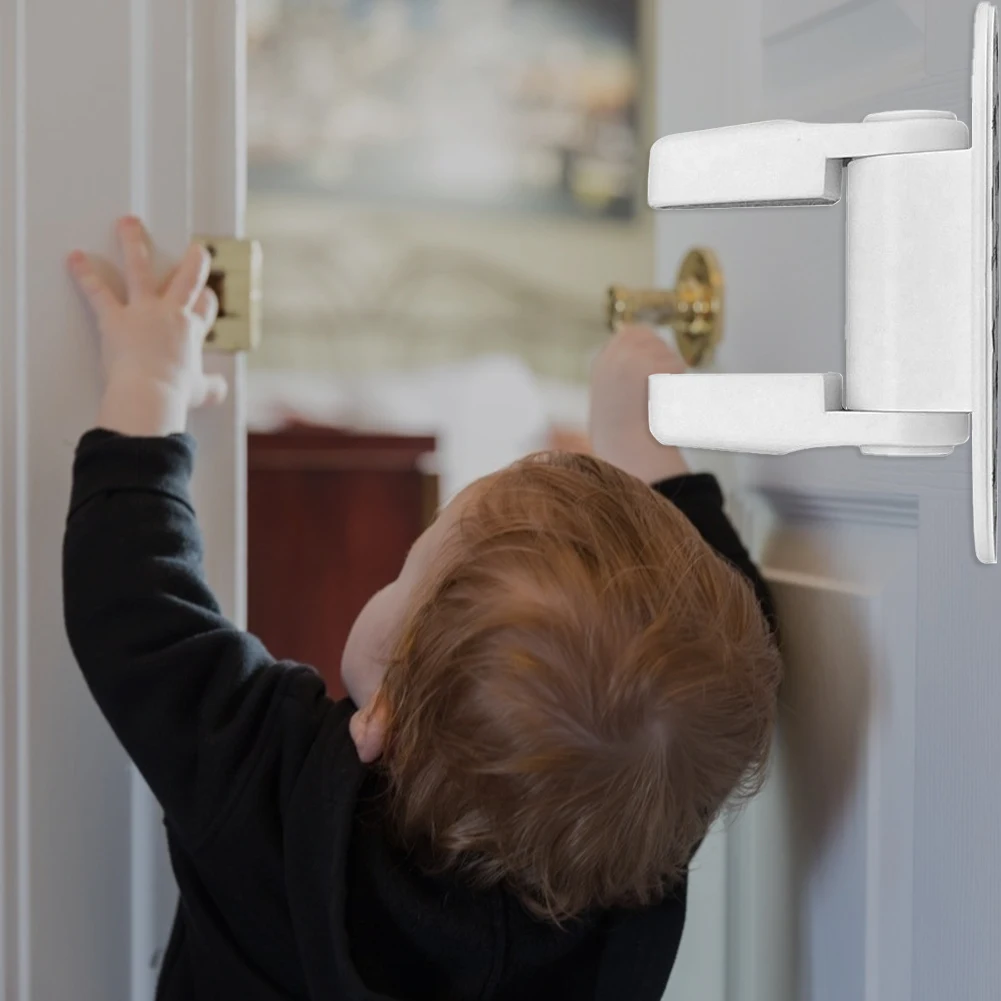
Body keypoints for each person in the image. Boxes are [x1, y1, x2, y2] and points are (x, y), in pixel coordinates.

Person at [63, 216, 782, 1001]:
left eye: (408, 565)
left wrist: (146, 384)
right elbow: (728, 660)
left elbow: (134, 603)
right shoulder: (637, 831)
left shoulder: (271, 782)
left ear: (383, 717)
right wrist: (647, 453)